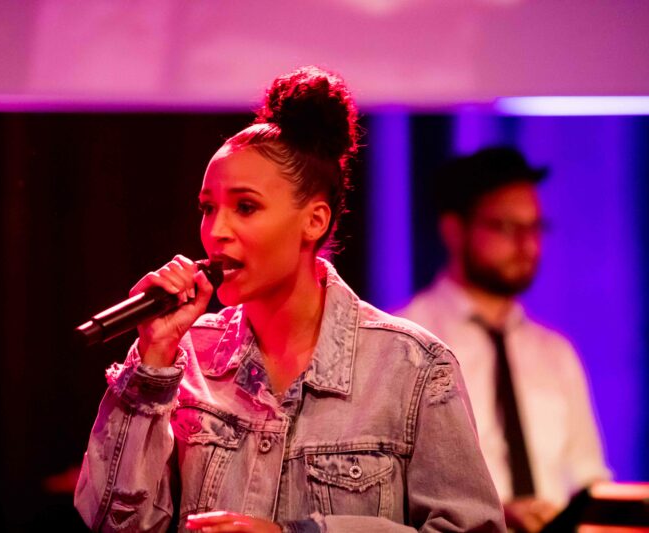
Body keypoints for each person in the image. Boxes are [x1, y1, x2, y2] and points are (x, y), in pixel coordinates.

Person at [74, 67, 505, 532]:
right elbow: (112, 523)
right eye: (208, 208)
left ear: (314, 221)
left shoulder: (413, 368)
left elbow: (472, 527)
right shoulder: (186, 355)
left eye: (245, 207)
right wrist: (154, 360)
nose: (216, 231)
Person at [399, 147, 610, 532]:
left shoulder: (554, 353)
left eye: (535, 227)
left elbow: (587, 477)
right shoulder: (405, 341)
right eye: (506, 227)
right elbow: (393, 491)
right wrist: (494, 514)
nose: (527, 245)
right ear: (454, 230)